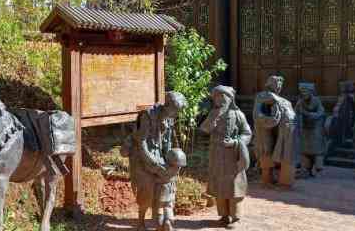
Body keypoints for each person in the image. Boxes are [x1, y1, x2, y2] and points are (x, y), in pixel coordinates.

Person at [121, 91, 188, 231]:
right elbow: (141, 142)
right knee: (146, 188)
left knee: (164, 184)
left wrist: (167, 161)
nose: (176, 115)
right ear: (167, 105)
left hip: (157, 155)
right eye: (175, 111)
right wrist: (154, 164)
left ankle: (162, 220)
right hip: (141, 155)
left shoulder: (169, 118)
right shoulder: (148, 115)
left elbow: (167, 142)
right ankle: (140, 221)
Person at [200, 86, 251, 227]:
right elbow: (204, 129)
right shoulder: (213, 114)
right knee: (220, 186)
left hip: (232, 157)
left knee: (234, 186)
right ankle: (224, 215)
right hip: (216, 155)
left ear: (230, 99)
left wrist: (235, 142)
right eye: (217, 98)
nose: (220, 101)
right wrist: (213, 120)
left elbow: (247, 133)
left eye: (223, 97)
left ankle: (235, 217)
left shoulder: (238, 115)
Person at [253, 75, 297, 187]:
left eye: (280, 85)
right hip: (265, 131)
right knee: (266, 150)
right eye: (276, 84)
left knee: (284, 153)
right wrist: (270, 120)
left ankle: (283, 180)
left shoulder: (284, 101)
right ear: (269, 84)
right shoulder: (262, 96)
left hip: (284, 131)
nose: (278, 87)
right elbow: (258, 114)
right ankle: (267, 179)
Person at [295, 83, 326, 177]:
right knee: (305, 150)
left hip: (316, 129)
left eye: (305, 92)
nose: (303, 94)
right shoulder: (300, 102)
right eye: (302, 92)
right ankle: (305, 169)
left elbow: (320, 114)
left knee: (317, 150)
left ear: (311, 92)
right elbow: (295, 113)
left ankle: (318, 168)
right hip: (305, 130)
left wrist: (306, 113)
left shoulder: (317, 101)